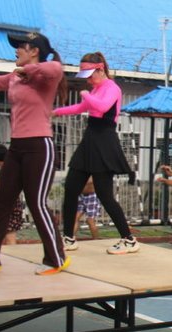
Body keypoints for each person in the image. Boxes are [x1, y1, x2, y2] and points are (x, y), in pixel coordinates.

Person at [0, 32, 69, 276]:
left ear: (34, 51)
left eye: (21, 46)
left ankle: (56, 258)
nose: (16, 50)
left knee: (36, 203)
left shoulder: (45, 75)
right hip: (17, 147)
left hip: (40, 146)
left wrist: (29, 71)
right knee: (4, 201)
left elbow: (54, 69)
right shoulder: (15, 78)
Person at [54, 52, 138, 256]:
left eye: (91, 75)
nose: (89, 80)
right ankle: (68, 238)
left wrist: (86, 95)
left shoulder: (112, 88)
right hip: (90, 140)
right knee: (71, 188)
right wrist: (53, 112)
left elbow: (100, 106)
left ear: (100, 70)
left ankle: (129, 239)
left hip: (105, 142)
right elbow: (80, 108)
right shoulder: (97, 89)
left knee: (105, 195)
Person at [73, 176, 101, 241]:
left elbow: (90, 181)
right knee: (75, 218)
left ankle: (96, 239)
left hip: (92, 196)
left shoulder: (91, 169)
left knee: (90, 220)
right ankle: (71, 239)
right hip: (80, 195)